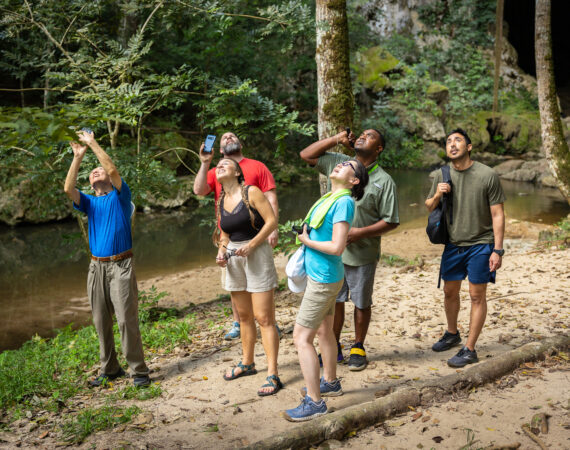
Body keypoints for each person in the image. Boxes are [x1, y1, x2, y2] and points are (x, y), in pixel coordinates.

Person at [299, 129, 399, 371]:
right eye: (362, 133)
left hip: (362, 252)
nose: (364, 136)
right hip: (332, 253)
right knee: (336, 300)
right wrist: (336, 140)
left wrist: (358, 233)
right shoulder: (340, 164)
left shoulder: (384, 181)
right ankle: (334, 346)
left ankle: (358, 345)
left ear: (379, 149)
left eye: (371, 136)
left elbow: (391, 220)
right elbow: (306, 154)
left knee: (361, 301)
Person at [283, 160, 369, 422]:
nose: (341, 164)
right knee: (323, 330)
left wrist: (306, 241)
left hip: (323, 280)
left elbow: (337, 247)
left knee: (301, 338)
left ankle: (314, 402)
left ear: (354, 181)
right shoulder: (331, 198)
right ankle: (330, 382)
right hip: (326, 276)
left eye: (348, 165)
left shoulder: (343, 202)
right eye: (341, 162)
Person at [63, 130, 150, 387]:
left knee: (125, 319)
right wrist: (78, 156)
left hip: (121, 264)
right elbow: (68, 188)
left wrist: (92, 143)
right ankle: (110, 369)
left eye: (97, 170)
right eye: (91, 174)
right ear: (90, 185)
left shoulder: (121, 198)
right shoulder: (89, 203)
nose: (96, 172)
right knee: (101, 321)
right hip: (96, 267)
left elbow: (111, 170)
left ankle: (139, 371)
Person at [425, 128, 506, 368]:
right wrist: (438, 194)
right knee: (450, 292)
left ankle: (469, 349)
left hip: (481, 243)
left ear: (468, 147)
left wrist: (498, 250)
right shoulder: (442, 174)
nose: (452, 144)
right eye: (448, 141)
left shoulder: (487, 174)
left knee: (476, 295)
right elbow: (429, 207)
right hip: (453, 244)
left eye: (457, 140)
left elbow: (498, 214)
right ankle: (452, 333)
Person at [193, 132, 279, 340]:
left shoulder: (258, 166)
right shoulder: (217, 170)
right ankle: (238, 322)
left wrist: (273, 227)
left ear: (240, 143)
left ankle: (269, 323)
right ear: (220, 150)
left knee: (261, 281)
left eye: (233, 136)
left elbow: (271, 196)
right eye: (224, 138)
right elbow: (199, 190)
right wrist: (205, 163)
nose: (229, 138)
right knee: (235, 281)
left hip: (256, 231)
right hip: (228, 231)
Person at [214, 158, 282, 396]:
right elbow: (225, 232)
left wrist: (253, 244)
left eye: (225, 163)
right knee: (243, 317)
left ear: (237, 171)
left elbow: (272, 221)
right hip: (234, 257)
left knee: (264, 318)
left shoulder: (251, 192)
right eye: (217, 165)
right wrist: (222, 249)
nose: (219, 166)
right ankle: (247, 363)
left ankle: (272, 374)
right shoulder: (222, 198)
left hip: (257, 254)